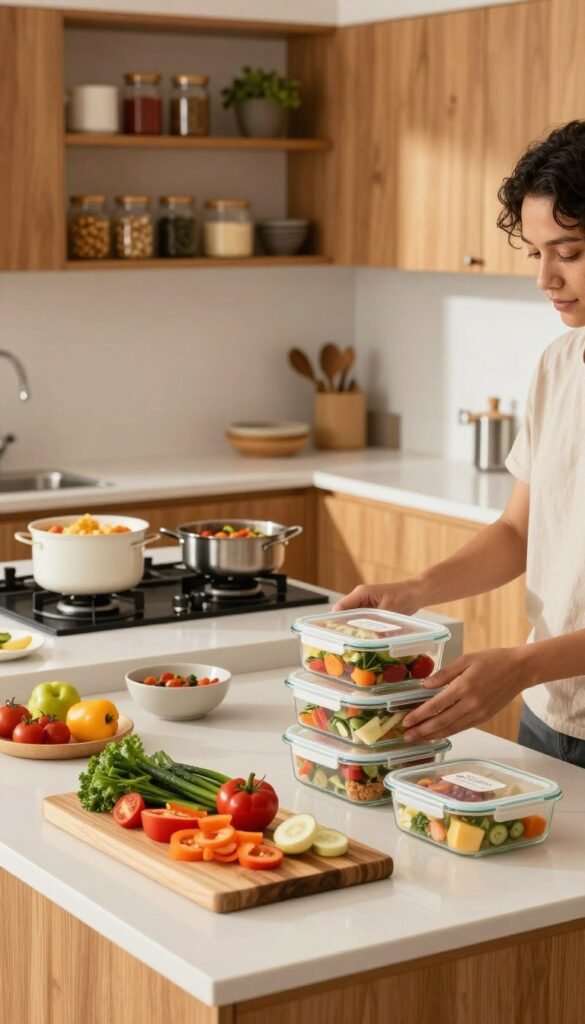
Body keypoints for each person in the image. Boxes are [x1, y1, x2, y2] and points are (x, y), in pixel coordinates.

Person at [333, 120, 585, 769]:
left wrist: (521, 663)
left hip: (533, 680)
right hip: (550, 715)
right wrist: (414, 589)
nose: (544, 278)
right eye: (534, 253)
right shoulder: (558, 366)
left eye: (570, 252)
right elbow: (515, 531)